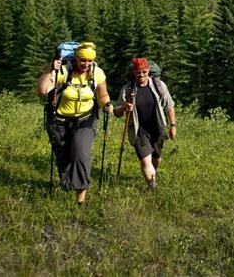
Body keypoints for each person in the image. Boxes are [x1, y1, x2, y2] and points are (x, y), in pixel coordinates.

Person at [36, 42, 114, 204]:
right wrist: (49, 70)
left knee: (81, 154)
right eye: (83, 60)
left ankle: (80, 200)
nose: (86, 64)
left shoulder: (97, 73)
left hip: (86, 120)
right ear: (76, 59)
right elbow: (42, 91)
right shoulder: (63, 71)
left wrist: (107, 104)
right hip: (59, 121)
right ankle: (66, 183)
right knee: (63, 156)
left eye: (90, 61)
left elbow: (103, 94)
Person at [113, 58, 176, 190]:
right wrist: (124, 107)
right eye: (138, 72)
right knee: (145, 160)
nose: (141, 75)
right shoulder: (128, 90)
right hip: (138, 130)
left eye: (144, 72)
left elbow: (169, 105)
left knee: (156, 158)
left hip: (156, 127)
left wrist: (173, 125)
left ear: (148, 71)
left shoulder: (159, 85)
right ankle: (153, 188)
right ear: (133, 73)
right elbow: (117, 112)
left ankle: (152, 174)